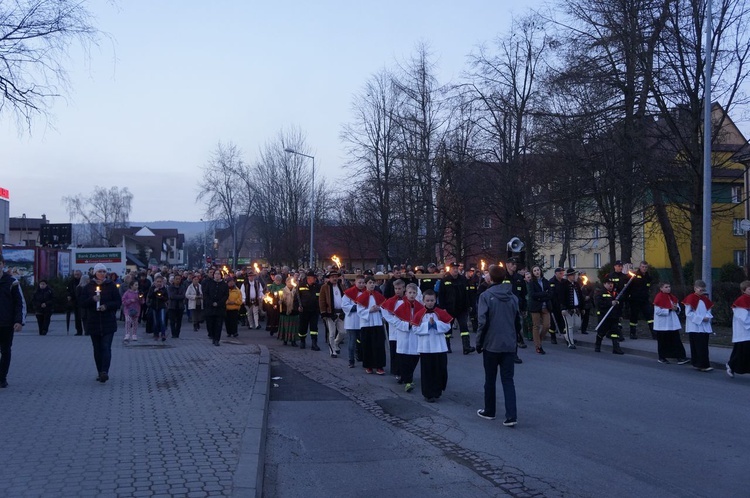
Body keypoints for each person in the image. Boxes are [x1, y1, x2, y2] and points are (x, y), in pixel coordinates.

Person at [475, 265, 519, 427]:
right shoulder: (513, 297)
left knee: (490, 379)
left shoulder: (486, 296)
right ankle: (511, 415)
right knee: (508, 380)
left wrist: (479, 342)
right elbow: (517, 322)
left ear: (490, 279)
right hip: (508, 344)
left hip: (491, 344)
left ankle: (490, 410)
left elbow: (482, 322)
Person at [81, 263, 122, 383]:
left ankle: (105, 371)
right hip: (93, 321)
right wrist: (92, 299)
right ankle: (99, 371)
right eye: (99, 272)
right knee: (97, 349)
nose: (102, 274)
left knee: (106, 347)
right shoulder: (88, 287)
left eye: (104, 272)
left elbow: (117, 302)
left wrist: (106, 306)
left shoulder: (111, 286)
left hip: (108, 321)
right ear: (95, 273)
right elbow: (82, 303)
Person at [413, 289, 451, 402]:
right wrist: (427, 326)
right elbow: (415, 329)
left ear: (435, 300)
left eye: (432, 300)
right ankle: (428, 393)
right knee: (427, 371)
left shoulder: (440, 312)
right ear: (423, 301)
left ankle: (437, 391)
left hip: (439, 346)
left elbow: (447, 326)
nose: (430, 302)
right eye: (428, 300)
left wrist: (436, 325)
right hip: (426, 347)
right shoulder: (419, 314)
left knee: (439, 369)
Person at [394, 283, 424, 392]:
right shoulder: (401, 306)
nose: (411, 295)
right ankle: (408, 381)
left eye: (414, 293)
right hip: (404, 335)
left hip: (415, 336)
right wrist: (407, 325)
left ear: (416, 294)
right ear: (406, 293)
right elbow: (396, 321)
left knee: (414, 358)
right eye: (410, 293)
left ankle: (407, 377)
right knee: (404, 359)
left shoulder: (420, 307)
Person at [0, 254, 24, 388]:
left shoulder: (11, 282)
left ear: (3, 265)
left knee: (5, 350)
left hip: (6, 323)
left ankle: (2, 377)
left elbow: (18, 303)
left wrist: (18, 321)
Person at [439, 264, 472, 354]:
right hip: (449, 308)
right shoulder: (445, 280)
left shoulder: (462, 279)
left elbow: (467, 293)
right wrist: (442, 308)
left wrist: (468, 305)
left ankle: (466, 347)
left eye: (456, 268)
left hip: (461, 308)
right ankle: (446, 347)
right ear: (450, 270)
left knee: (464, 327)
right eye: (454, 268)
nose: (455, 270)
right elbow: (441, 295)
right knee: (448, 329)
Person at [653, 282, 689, 365]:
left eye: (669, 286)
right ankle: (662, 357)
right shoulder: (659, 297)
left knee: (676, 340)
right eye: (666, 287)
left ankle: (680, 357)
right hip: (662, 324)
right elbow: (658, 311)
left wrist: (676, 309)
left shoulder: (672, 297)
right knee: (662, 342)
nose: (668, 288)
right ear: (661, 288)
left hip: (672, 323)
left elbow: (677, 307)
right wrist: (669, 309)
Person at [356, 276, 387, 375]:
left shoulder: (378, 295)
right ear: (365, 284)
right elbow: (359, 311)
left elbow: (384, 307)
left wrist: (379, 309)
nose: (372, 284)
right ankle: (368, 366)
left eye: (373, 282)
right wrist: (370, 310)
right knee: (367, 345)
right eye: (369, 283)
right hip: (366, 323)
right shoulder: (361, 297)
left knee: (378, 345)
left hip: (377, 323)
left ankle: (379, 366)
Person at [682, 280, 713, 371]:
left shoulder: (704, 299)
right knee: (698, 346)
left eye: (703, 290)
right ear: (695, 288)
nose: (702, 292)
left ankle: (701, 363)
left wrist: (707, 316)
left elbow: (708, 310)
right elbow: (688, 313)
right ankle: (701, 364)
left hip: (704, 326)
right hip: (695, 326)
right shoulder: (691, 298)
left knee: (703, 346)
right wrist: (701, 318)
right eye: (700, 290)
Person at [381, 279, 406, 377]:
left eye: (399, 288)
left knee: (403, 352)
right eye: (396, 289)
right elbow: (385, 314)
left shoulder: (407, 301)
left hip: (404, 329)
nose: (398, 291)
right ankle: (396, 372)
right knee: (394, 351)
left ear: (404, 288)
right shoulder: (390, 301)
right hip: (394, 330)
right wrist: (395, 321)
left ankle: (404, 371)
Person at [319, 269, 346, 358]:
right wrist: (324, 313)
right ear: (329, 278)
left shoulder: (341, 286)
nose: (334, 278)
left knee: (343, 332)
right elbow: (322, 300)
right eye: (332, 277)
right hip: (330, 313)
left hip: (340, 313)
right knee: (332, 333)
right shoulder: (324, 287)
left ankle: (335, 343)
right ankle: (332, 350)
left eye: (336, 277)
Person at [594, 277, 624, 354]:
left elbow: (619, 306)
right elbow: (599, 304)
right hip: (604, 316)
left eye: (612, 284)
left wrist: (620, 315)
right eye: (609, 284)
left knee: (615, 332)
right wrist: (610, 303)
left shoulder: (615, 294)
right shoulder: (600, 293)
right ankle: (597, 345)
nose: (611, 285)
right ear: (604, 284)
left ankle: (616, 348)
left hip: (614, 316)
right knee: (601, 332)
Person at [625, 261, 653, 339]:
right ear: (640, 267)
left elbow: (649, 287)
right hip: (635, 300)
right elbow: (628, 287)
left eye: (646, 267)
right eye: (643, 267)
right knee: (634, 316)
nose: (644, 268)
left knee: (649, 315)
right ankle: (632, 333)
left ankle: (654, 333)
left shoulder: (648, 277)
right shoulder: (634, 275)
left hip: (644, 300)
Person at [728, 280, 750, 377]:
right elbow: (742, 318)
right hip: (743, 331)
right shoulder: (741, 301)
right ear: (744, 290)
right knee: (740, 352)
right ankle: (731, 365)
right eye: (749, 289)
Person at [527, 266, 552, 354]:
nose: (537, 272)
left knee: (547, 325)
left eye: (538, 270)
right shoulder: (531, 283)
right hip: (535, 307)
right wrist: (544, 294)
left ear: (540, 271)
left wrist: (542, 296)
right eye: (534, 271)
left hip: (545, 307)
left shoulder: (545, 281)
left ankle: (539, 340)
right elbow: (533, 295)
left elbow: (550, 293)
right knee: (536, 326)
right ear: (532, 273)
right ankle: (538, 346)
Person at [342, 275, 365, 368]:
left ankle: (362, 357)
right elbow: (344, 305)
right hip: (352, 320)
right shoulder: (348, 293)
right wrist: (355, 307)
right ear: (355, 282)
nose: (361, 284)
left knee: (363, 341)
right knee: (352, 342)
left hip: (363, 321)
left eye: (363, 283)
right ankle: (351, 360)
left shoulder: (366, 293)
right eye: (359, 282)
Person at [203, 269, 229, 346]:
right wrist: (211, 302)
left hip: (220, 308)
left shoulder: (224, 284)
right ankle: (212, 336)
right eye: (216, 274)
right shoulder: (209, 283)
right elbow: (206, 294)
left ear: (221, 275)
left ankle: (217, 339)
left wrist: (219, 303)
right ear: (213, 275)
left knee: (218, 324)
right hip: (210, 307)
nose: (217, 275)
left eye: (218, 274)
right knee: (211, 324)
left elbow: (226, 295)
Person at [297, 270, 321, 350]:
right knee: (302, 327)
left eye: (315, 278)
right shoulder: (301, 286)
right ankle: (302, 341)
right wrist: (298, 306)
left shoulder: (318, 286)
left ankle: (314, 343)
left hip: (314, 310)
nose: (315, 279)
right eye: (313, 278)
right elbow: (297, 298)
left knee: (314, 328)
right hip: (304, 310)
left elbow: (320, 298)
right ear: (309, 278)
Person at [561, 268, 583, 349]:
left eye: (574, 275)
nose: (574, 276)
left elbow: (580, 296)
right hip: (568, 309)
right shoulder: (564, 285)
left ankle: (566, 335)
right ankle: (570, 343)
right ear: (568, 276)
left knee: (577, 325)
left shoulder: (577, 284)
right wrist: (563, 308)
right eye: (572, 275)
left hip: (576, 308)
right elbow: (561, 297)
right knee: (570, 326)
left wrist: (582, 307)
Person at [278, 276, 301, 346]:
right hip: (285, 311)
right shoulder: (282, 290)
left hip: (294, 310)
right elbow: (279, 300)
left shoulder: (296, 290)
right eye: (288, 282)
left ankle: (293, 340)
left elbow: (299, 299)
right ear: (286, 282)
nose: (290, 284)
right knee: (285, 326)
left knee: (293, 327)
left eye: (291, 282)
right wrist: (279, 301)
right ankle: (285, 339)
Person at [147, 275, 169, 341]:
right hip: (154, 307)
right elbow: (149, 296)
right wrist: (154, 292)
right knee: (155, 321)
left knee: (162, 320)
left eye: (160, 281)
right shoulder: (152, 288)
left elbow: (166, 298)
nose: (159, 283)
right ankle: (156, 334)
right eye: (157, 281)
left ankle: (163, 334)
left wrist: (162, 296)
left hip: (161, 306)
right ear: (155, 282)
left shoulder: (164, 289)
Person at [548, 267, 566, 345]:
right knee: (553, 323)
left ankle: (567, 338)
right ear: (556, 274)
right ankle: (553, 337)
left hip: (562, 305)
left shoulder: (564, 282)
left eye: (562, 273)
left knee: (564, 322)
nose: (562, 275)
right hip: (554, 305)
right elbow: (550, 295)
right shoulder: (551, 282)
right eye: (560, 273)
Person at [167, 274, 186, 339]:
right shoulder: (170, 287)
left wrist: (177, 296)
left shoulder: (182, 287)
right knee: (172, 321)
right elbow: (171, 296)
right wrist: (179, 296)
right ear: (174, 280)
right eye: (176, 279)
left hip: (180, 307)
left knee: (179, 321)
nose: (178, 280)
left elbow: (183, 296)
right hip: (172, 306)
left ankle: (177, 333)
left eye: (179, 279)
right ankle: (173, 333)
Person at [67, 270, 83, 335]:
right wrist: (69, 296)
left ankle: (87, 330)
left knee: (85, 317)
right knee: (77, 317)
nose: (76, 276)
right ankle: (79, 331)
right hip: (75, 301)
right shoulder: (71, 282)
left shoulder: (82, 281)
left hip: (82, 301)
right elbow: (68, 290)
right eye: (75, 274)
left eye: (78, 274)